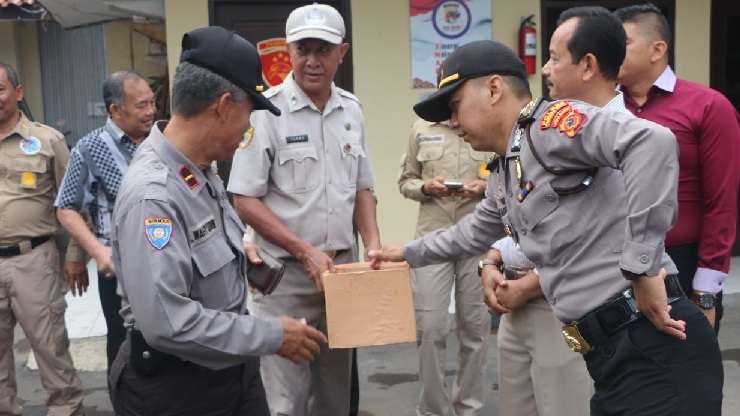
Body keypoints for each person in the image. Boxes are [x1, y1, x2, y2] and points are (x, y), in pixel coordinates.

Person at [370, 37, 724, 415]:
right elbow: (473, 233)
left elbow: (651, 142)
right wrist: (406, 253)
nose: (453, 123)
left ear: (493, 89)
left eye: (455, 107)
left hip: (653, 340)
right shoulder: (505, 166)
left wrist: (642, 264)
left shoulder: (549, 126)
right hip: (611, 354)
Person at [108, 26, 327, 415]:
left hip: (231, 371)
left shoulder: (200, 168)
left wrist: (242, 254)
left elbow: (202, 248)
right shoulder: (153, 196)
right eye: (249, 113)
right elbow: (167, 321)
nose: (248, 127)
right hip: (178, 389)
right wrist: (272, 335)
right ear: (224, 106)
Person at [479, 8, 634, 415]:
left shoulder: (620, 139)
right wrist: (491, 258)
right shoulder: (545, 132)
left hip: (569, 312)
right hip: (517, 306)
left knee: (566, 405)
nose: (545, 70)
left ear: (587, 66)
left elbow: (604, 245)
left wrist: (529, 285)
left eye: (553, 58)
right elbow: (531, 217)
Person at [228, 4, 381, 415]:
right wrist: (304, 251)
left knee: (335, 394)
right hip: (285, 280)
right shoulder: (267, 112)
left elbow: (363, 187)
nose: (313, 60)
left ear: (342, 52)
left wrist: (374, 244)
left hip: (340, 273)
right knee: (286, 400)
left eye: (324, 49)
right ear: (289, 50)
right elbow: (244, 198)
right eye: (303, 49)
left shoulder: (352, 110)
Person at [615, 3, 740, 333]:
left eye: (623, 42)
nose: (610, 51)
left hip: (677, 264)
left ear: (658, 49)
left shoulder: (708, 106)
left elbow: (721, 203)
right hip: (611, 262)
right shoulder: (605, 109)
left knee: (685, 379)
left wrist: (706, 293)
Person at [55, 70, 157, 375]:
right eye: (141, 105)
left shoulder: (165, 138)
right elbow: (66, 208)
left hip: (168, 260)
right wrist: (99, 254)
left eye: (153, 102)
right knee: (125, 343)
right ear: (115, 109)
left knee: (169, 339)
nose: (151, 111)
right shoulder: (89, 149)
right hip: (120, 268)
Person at [0, 62, 85, 416]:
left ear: (18, 92)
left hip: (33, 260)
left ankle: (65, 409)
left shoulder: (48, 140)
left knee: (50, 346)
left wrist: (75, 254)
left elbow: (74, 200)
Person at [398, 117, 492, 416]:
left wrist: (485, 188)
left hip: (477, 238)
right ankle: (433, 410)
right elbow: (405, 181)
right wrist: (426, 187)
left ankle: (469, 408)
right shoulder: (421, 128)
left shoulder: (486, 125)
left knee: (475, 329)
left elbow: (510, 183)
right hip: (432, 240)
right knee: (430, 328)